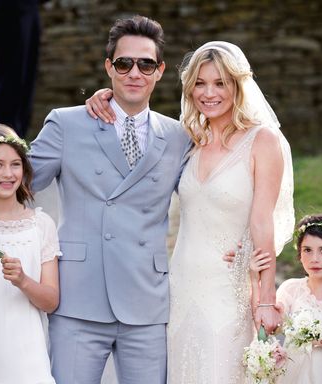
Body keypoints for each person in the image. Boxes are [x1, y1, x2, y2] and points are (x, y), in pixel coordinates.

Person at [86, 41, 294, 383]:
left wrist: (266, 298)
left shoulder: (262, 141)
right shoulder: (185, 139)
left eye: (219, 83)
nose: (208, 93)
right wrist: (102, 96)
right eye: (200, 83)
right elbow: (134, 128)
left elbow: (262, 221)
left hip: (229, 288)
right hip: (180, 286)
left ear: (237, 86)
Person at [29, 16, 191, 384]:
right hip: (78, 299)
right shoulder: (66, 124)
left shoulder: (179, 136)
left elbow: (206, 194)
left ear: (160, 71)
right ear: (109, 68)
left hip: (147, 303)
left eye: (145, 64)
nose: (135, 72)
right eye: (124, 63)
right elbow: (15, 182)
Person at [0, 123, 60, 384]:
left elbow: (51, 301)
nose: (8, 174)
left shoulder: (40, 226)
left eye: (15, 164)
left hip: (26, 358)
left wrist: (23, 281)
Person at [249, 214, 322, 383]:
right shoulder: (292, 289)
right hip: (295, 376)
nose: (314, 259)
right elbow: (265, 326)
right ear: (299, 254)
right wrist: (254, 281)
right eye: (307, 250)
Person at [0, 0, 42, 137]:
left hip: (29, 5)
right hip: (6, 6)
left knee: (27, 78)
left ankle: (17, 139)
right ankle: (4, 139)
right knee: (10, 78)